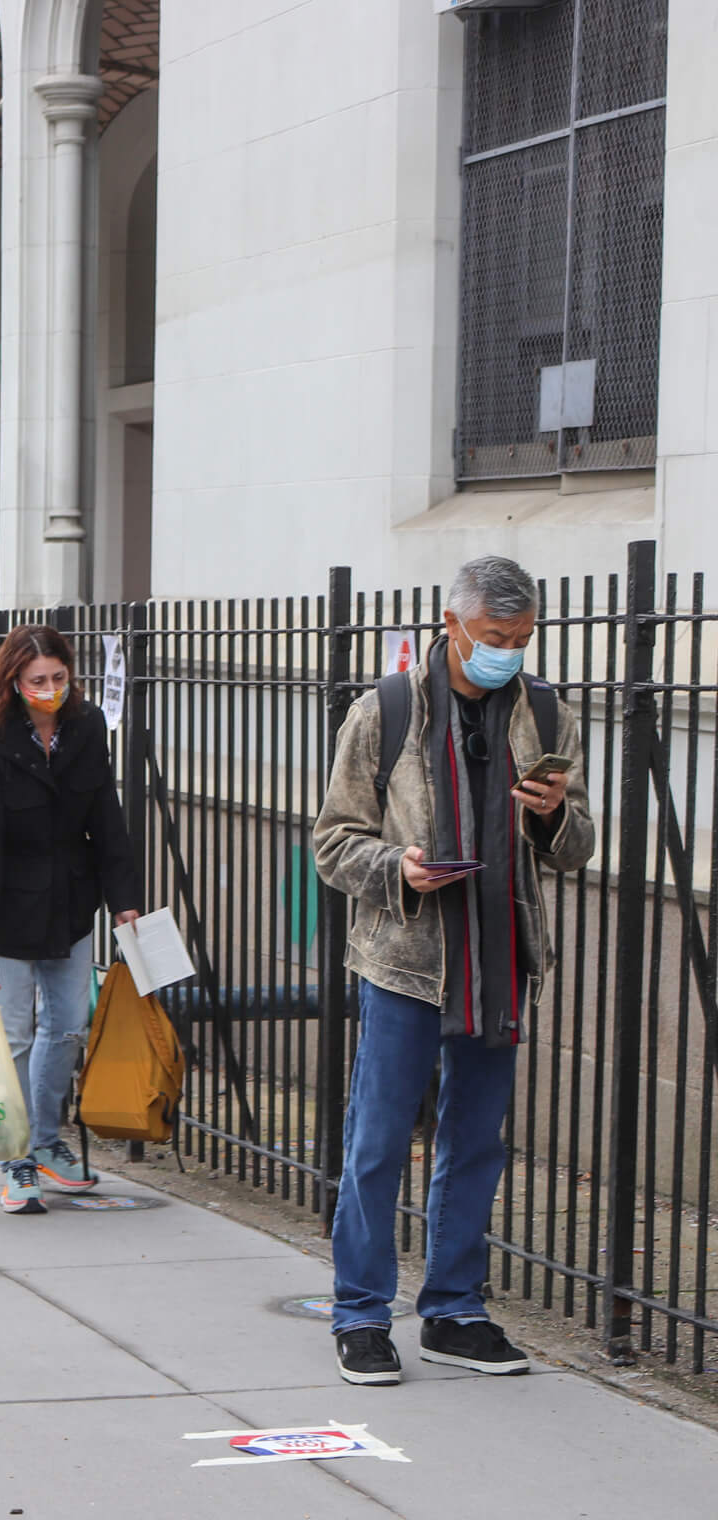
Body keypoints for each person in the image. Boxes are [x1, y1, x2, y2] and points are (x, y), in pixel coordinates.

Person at [313, 556, 592, 1387]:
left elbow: (578, 847)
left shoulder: (546, 714)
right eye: (494, 638)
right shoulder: (384, 711)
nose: (507, 652)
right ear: (453, 625)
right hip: (406, 960)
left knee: (475, 1144)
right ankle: (362, 1315)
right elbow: (332, 842)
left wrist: (554, 819)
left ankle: (454, 1310)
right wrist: (397, 866)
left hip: (501, 955)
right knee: (377, 1143)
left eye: (522, 639)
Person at [0, 624, 142, 1217]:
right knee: (13, 1033)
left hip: (69, 902)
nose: (51, 689)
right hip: (9, 909)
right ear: (14, 681)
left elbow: (106, 817)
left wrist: (123, 898)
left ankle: (44, 1141)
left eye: (59, 677)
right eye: (38, 680)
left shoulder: (86, 730)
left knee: (66, 1025)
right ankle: (15, 1155)